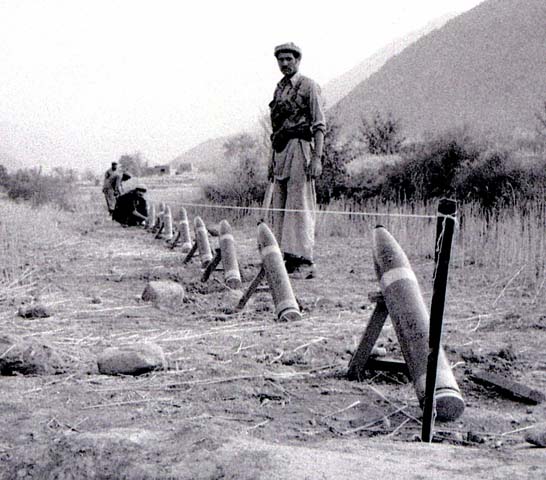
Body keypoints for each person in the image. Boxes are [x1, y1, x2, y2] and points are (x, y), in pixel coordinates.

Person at [268, 42, 326, 279]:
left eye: (288, 59)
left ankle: (304, 261)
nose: (284, 63)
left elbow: (319, 124)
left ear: (298, 60)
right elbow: (276, 129)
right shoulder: (279, 89)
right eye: (280, 60)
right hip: (281, 150)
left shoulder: (309, 86)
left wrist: (317, 158)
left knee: (300, 202)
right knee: (281, 203)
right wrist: (270, 160)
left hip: (301, 147)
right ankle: (288, 258)